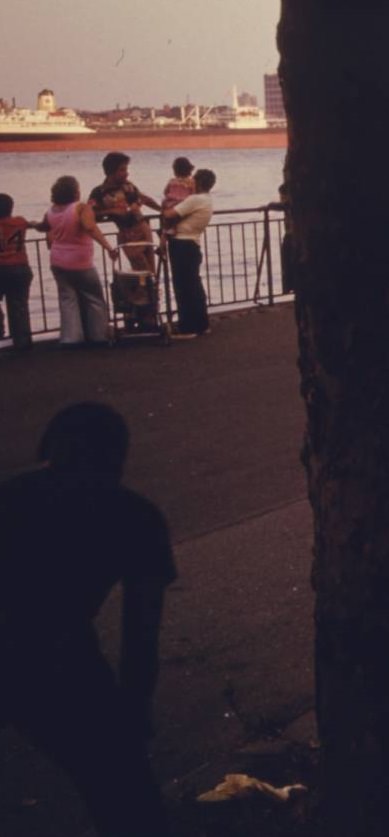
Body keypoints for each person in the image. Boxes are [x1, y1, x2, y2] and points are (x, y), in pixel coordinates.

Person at [0, 403, 176, 836]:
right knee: (126, 796)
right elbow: (141, 634)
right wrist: (135, 708)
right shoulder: (135, 518)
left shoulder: (16, 498)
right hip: (58, 656)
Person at [41, 176, 119, 346]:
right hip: (80, 260)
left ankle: (70, 338)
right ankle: (98, 335)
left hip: (57, 260)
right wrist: (108, 247)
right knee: (94, 298)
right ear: (75, 191)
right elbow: (90, 227)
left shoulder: (51, 211)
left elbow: (46, 229)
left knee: (67, 299)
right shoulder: (81, 208)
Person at [162, 168, 216, 338]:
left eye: (193, 180)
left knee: (183, 286)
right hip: (193, 243)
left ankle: (187, 326)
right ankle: (201, 323)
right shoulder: (207, 200)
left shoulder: (194, 199)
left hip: (182, 243)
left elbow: (170, 213)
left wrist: (165, 208)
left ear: (198, 182)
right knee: (194, 285)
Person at [89, 152, 160, 276]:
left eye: (126, 169)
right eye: (122, 170)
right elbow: (90, 213)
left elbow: (144, 198)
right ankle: (142, 294)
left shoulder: (129, 186)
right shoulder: (99, 192)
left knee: (151, 274)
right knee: (141, 271)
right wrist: (110, 211)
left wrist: (161, 210)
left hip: (143, 228)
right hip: (127, 233)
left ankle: (152, 294)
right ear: (111, 172)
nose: (126, 173)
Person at [0, 193, 35, 350]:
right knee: (19, 305)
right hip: (20, 267)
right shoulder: (19, 222)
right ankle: (23, 341)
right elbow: (34, 225)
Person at [160, 156, 195, 241]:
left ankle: (164, 233)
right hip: (183, 204)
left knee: (165, 217)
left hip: (171, 205)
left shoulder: (172, 181)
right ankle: (170, 231)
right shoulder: (191, 182)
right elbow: (194, 193)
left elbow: (165, 192)